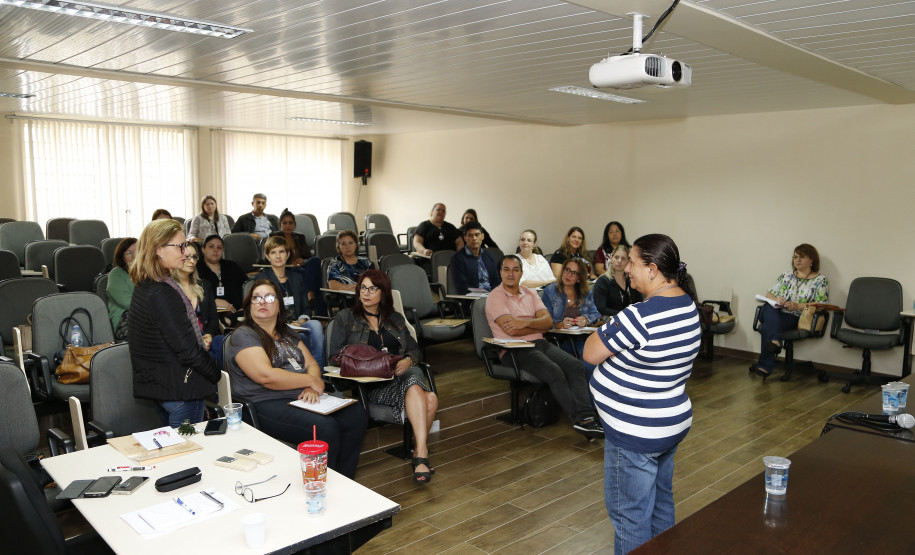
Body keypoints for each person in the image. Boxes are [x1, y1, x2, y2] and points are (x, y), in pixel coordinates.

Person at [583, 233, 701, 554]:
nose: (626, 270)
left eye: (632, 263)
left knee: (631, 517)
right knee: (661, 503)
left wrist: (612, 325)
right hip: (668, 424)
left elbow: (591, 352)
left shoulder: (641, 315)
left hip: (636, 434)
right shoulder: (687, 305)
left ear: (652, 269)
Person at [226, 279, 367, 479]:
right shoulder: (244, 335)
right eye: (256, 298)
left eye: (269, 297)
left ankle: (343, 479)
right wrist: (310, 382)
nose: (262, 302)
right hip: (264, 403)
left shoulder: (286, 332)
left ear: (279, 304)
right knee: (325, 428)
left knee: (356, 414)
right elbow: (266, 377)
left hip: (301, 398)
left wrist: (312, 387)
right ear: (249, 306)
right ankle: (321, 484)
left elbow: (311, 365)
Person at [329, 270, 439, 484]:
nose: (366, 293)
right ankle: (421, 454)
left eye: (372, 288)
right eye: (362, 288)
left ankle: (419, 452)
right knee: (429, 397)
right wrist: (370, 363)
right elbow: (334, 357)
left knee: (419, 383)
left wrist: (407, 360)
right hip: (372, 384)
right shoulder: (345, 318)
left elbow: (415, 351)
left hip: (402, 375)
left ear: (384, 292)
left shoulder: (395, 318)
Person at [485, 255, 602, 439]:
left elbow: (547, 322)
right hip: (514, 349)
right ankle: (581, 420)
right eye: (506, 269)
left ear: (521, 273)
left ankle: (588, 415)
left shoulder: (529, 293)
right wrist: (533, 323)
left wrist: (522, 322)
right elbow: (511, 331)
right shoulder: (494, 297)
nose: (510, 274)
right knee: (553, 371)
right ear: (500, 272)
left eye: (515, 270)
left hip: (539, 343)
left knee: (576, 366)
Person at [128, 219, 220, 427]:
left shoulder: (146, 286)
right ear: (159, 250)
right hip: (180, 391)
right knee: (187, 452)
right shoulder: (163, 293)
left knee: (178, 451)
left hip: (164, 388)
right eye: (179, 246)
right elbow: (187, 350)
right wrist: (215, 373)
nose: (186, 252)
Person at [751, 244, 829, 379]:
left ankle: (766, 364)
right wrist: (778, 299)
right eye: (795, 257)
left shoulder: (820, 280)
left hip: (794, 317)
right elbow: (769, 295)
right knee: (769, 307)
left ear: (811, 260)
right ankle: (775, 341)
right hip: (775, 312)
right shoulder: (786, 276)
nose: (797, 260)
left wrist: (797, 306)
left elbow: (821, 305)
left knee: (768, 326)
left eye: (802, 257)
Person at [256, 236, 325, 366]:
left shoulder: (297, 278)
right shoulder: (262, 279)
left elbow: (306, 308)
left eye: (281, 252)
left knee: (315, 325)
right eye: (273, 252)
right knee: (303, 337)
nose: (278, 256)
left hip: (297, 324)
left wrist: (301, 321)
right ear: (267, 255)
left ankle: (319, 373)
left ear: (287, 254)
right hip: (276, 326)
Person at [173, 243, 223, 369]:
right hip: (185, 342)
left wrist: (208, 336)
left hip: (205, 339)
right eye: (188, 257)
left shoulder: (204, 285)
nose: (192, 261)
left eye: (194, 257)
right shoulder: (169, 288)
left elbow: (213, 319)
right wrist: (198, 340)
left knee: (221, 342)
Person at [541, 259, 600, 365]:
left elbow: (595, 314)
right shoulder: (550, 291)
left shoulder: (585, 293)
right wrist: (560, 324)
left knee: (594, 357)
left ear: (579, 278)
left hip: (582, 337)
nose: (569, 275)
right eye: (567, 270)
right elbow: (545, 319)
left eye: (574, 273)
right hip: (559, 339)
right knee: (585, 359)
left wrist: (586, 319)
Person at [271, 209, 323, 315]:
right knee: (316, 279)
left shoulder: (300, 237)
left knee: (316, 260)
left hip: (301, 267)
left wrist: (302, 260)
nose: (288, 226)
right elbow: (273, 257)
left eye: (291, 223)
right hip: (287, 267)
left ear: (294, 224)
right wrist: (291, 262)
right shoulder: (274, 237)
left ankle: (310, 293)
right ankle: (315, 303)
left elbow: (308, 256)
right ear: (280, 224)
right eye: (285, 223)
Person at [196, 234, 247, 312]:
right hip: (208, 314)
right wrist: (212, 302)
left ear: (222, 250)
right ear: (203, 249)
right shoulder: (196, 269)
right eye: (211, 246)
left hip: (236, 313)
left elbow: (247, 288)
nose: (215, 250)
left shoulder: (233, 266)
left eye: (219, 248)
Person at [450, 221, 500, 294]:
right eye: (470, 235)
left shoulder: (489, 256)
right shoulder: (458, 258)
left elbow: (496, 281)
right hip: (472, 299)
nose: (474, 238)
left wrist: (494, 294)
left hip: (492, 296)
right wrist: (485, 293)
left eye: (477, 235)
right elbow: (462, 286)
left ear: (482, 236)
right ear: (465, 238)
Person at [593, 245, 643, 317]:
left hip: (632, 319)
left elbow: (639, 303)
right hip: (610, 321)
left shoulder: (632, 280)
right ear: (611, 258)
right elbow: (601, 308)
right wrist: (624, 315)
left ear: (628, 261)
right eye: (616, 257)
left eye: (623, 258)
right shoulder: (603, 281)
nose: (619, 261)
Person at [106, 237, 137, 338]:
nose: (134, 256)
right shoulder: (116, 274)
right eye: (128, 253)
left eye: (137, 251)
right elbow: (128, 302)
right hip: (125, 320)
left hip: (148, 316)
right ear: (122, 257)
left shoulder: (148, 273)